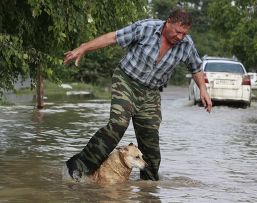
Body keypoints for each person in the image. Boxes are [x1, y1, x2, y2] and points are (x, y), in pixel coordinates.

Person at [63, 8, 212, 181]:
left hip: (151, 92)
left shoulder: (186, 45)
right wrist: (84, 48)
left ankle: (147, 188)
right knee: (118, 125)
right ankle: (78, 166)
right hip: (126, 80)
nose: (180, 37)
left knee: (151, 144)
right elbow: (113, 37)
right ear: (168, 22)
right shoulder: (145, 28)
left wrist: (203, 88)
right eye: (178, 32)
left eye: (184, 34)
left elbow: (196, 67)